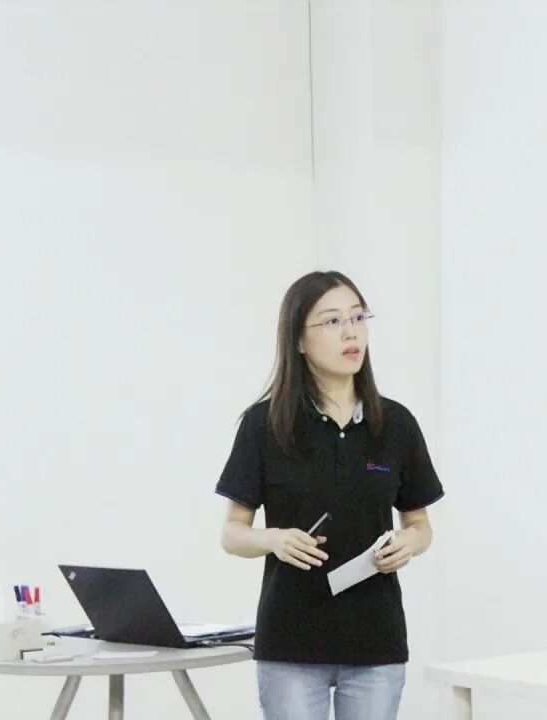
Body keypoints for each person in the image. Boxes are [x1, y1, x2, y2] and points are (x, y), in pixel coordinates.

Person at [216, 271, 443, 720]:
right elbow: (232, 534)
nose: (351, 332)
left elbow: (420, 525)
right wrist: (274, 539)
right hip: (291, 642)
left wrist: (408, 544)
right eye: (332, 321)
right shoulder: (265, 425)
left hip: (375, 642)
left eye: (358, 317)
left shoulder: (396, 424)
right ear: (299, 340)